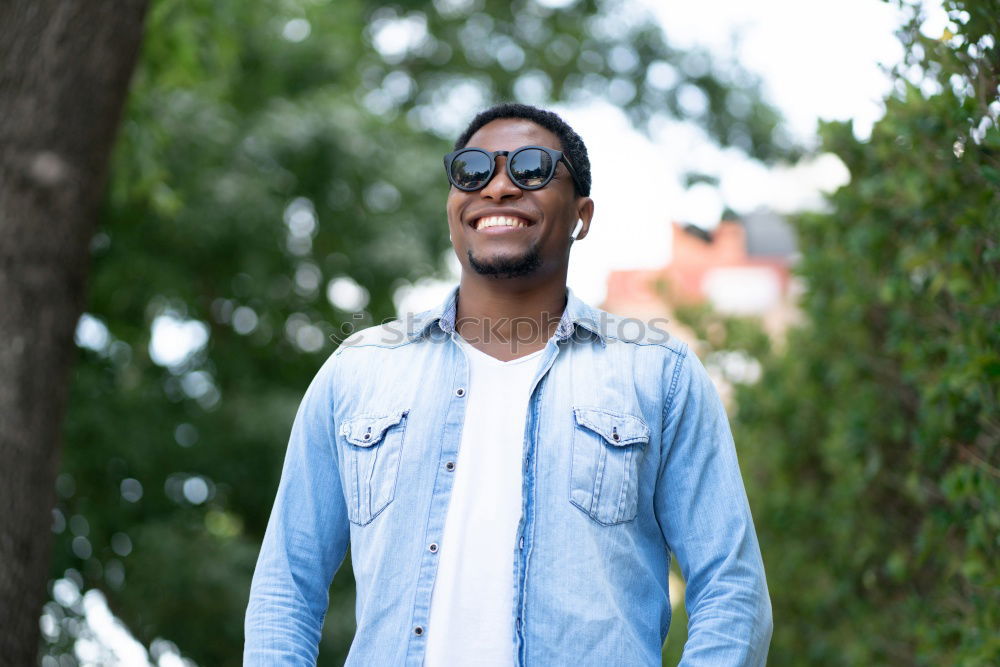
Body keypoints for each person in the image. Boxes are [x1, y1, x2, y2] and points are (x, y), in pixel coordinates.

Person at [243, 103, 772, 666]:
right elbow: (286, 586)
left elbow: (730, 591)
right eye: (472, 171)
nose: (497, 188)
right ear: (453, 206)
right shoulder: (360, 369)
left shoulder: (656, 371)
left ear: (581, 215)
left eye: (531, 169)